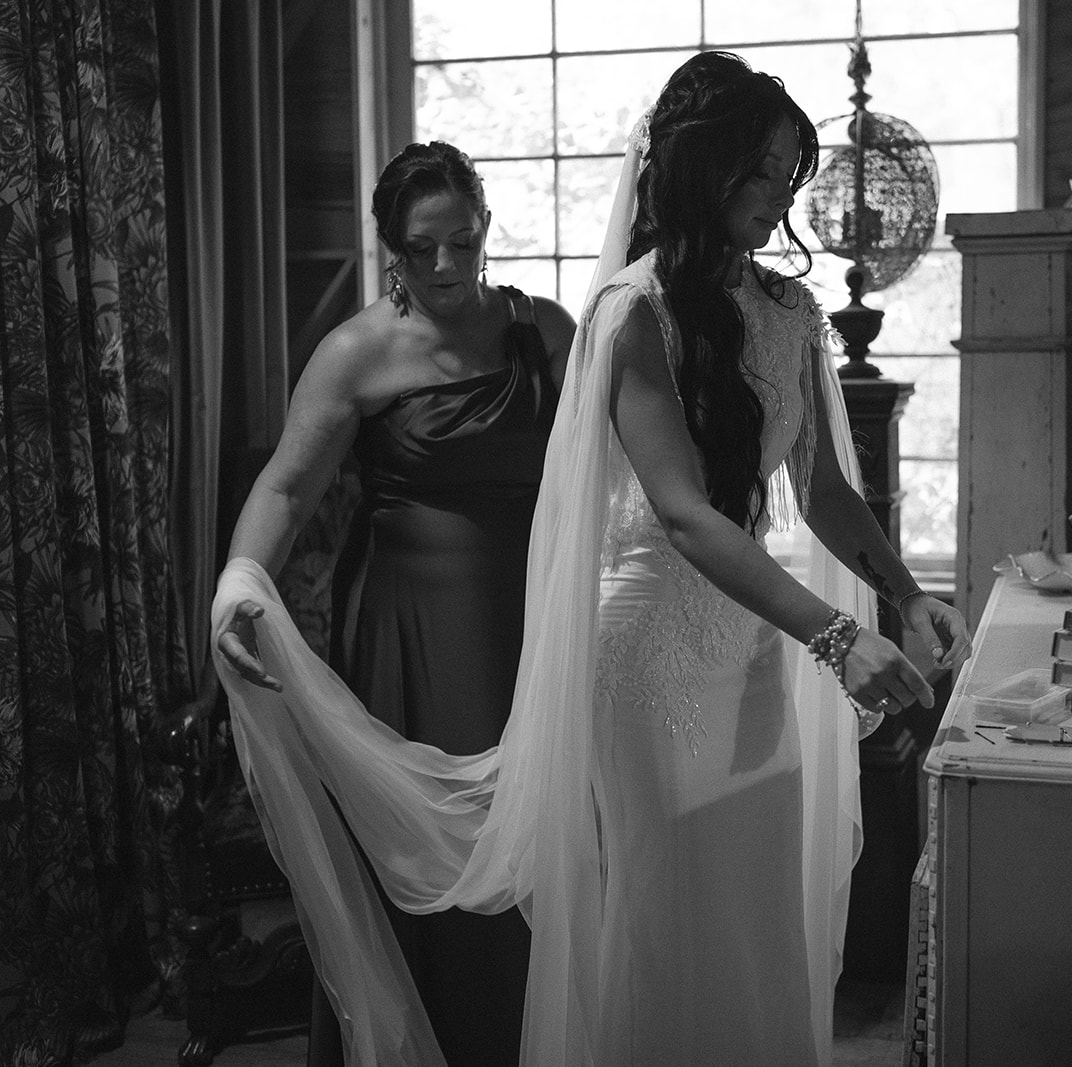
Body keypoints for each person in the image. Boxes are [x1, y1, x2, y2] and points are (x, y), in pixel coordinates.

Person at [211, 51, 969, 1067]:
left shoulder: (788, 312)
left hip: (747, 642)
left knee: (752, 897)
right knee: (656, 907)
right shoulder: (629, 314)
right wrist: (834, 636)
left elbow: (824, 490)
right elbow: (684, 512)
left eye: (789, 172)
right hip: (638, 641)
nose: (778, 195)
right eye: (759, 170)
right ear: (701, 170)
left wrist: (905, 594)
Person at [215, 140, 575, 1066]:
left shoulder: (550, 333)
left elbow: (608, 472)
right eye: (424, 249)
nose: (449, 265)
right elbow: (287, 489)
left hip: (530, 618)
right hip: (408, 628)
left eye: (463, 239)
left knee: (532, 845)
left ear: (486, 228)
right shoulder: (357, 351)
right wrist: (239, 582)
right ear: (392, 251)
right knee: (434, 860)